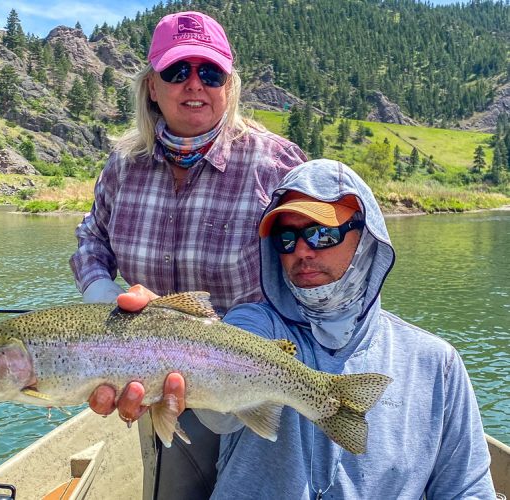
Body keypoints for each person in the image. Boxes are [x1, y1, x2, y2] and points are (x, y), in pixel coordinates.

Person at [97, 159, 496, 499]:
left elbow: (467, 488)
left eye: (322, 234)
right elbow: (222, 415)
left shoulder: (435, 362)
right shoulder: (255, 323)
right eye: (286, 239)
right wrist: (166, 332)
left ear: (367, 238)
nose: (302, 251)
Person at [70, 10, 306, 500]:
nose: (193, 84)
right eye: (177, 71)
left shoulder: (278, 165)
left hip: (252, 378)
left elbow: (315, 271)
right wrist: (101, 296)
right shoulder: (122, 166)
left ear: (229, 84)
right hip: (153, 384)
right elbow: (93, 239)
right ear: (152, 87)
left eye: (210, 72)